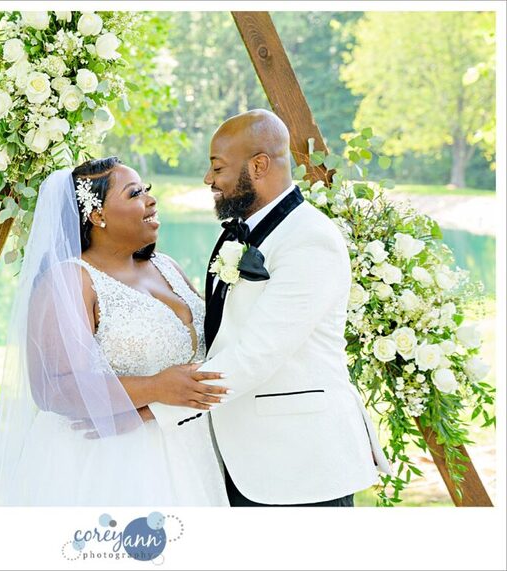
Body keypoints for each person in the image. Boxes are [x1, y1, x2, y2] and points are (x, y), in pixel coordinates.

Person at [149, 109, 393, 507]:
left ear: (258, 165)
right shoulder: (240, 231)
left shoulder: (310, 240)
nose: (209, 179)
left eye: (217, 167)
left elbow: (256, 354)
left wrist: (149, 403)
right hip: (242, 457)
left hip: (301, 465)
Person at [0, 157, 230, 506]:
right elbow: (53, 388)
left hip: (189, 448)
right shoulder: (70, 280)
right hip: (110, 463)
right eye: (134, 194)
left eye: (147, 190)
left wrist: (157, 406)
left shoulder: (166, 266)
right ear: (97, 215)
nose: (150, 199)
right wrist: (156, 387)